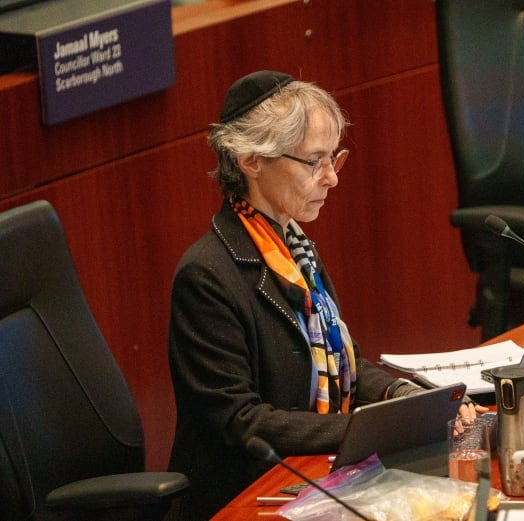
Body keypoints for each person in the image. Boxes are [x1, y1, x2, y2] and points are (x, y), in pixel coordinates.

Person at [167, 70, 485, 520]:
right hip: (246, 498)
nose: (332, 178)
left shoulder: (295, 248)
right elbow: (241, 423)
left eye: (335, 158)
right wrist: (365, 431)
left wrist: (402, 396)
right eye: (314, 162)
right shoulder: (207, 276)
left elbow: (347, 364)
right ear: (251, 160)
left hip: (314, 476)